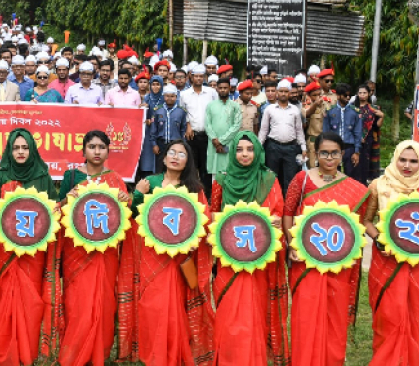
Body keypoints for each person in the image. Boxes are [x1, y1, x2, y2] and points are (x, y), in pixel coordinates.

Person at [118, 140, 215, 364]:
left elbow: (204, 221)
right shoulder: (150, 182)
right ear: (163, 158)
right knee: (152, 305)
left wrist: (195, 241)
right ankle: (153, 354)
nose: (175, 157)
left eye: (181, 154)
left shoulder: (194, 189)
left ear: (188, 161)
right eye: (171, 152)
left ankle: (175, 353)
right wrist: (139, 195)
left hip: (179, 258)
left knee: (175, 307)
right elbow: (133, 215)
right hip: (152, 256)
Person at [282, 132, 368, 366]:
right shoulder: (302, 180)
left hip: (338, 266)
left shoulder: (356, 190)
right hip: (305, 262)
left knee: (334, 316)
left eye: (334, 153)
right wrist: (291, 244)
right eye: (324, 153)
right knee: (306, 316)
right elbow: (288, 213)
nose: (329, 158)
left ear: (342, 155)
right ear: (316, 154)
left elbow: (357, 228)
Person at [0, 129, 60, 365]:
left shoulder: (43, 176)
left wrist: (55, 209)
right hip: (7, 250)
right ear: (9, 150)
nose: (21, 152)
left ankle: (28, 347)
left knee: (31, 298)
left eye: (25, 148)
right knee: (6, 295)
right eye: (16, 148)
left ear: (32, 149)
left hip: (34, 249)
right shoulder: (0, 176)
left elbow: (53, 208)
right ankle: (4, 347)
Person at [210, 132, 289, 366]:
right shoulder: (221, 180)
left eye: (249, 149)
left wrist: (273, 220)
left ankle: (253, 356)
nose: (244, 154)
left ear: (257, 152)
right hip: (228, 257)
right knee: (228, 306)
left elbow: (277, 214)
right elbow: (212, 215)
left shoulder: (268, 179)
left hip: (258, 258)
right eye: (239, 149)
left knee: (253, 307)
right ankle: (227, 357)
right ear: (233, 153)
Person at [57, 131, 131, 366]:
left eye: (101, 147)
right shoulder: (71, 177)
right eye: (92, 147)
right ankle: (73, 354)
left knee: (103, 301)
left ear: (108, 151)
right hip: (76, 253)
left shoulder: (115, 180)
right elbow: (57, 212)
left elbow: (124, 217)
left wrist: (125, 199)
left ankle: (97, 353)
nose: (97, 151)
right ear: (84, 150)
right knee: (77, 304)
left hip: (105, 253)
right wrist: (66, 200)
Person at [363, 140, 419, 365]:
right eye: (402, 159)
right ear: (395, 158)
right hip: (387, 263)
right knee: (389, 315)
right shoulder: (378, 185)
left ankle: (417, 358)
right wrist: (377, 238)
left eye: (413, 161)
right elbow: (365, 219)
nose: (407, 165)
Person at [259, 79, 307, 195]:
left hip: (291, 148)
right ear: (277, 93)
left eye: (286, 91)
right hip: (273, 147)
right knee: (272, 177)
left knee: (290, 179)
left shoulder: (295, 110)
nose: (283, 94)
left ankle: (288, 206)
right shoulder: (269, 109)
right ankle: (272, 203)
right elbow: (264, 130)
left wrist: (304, 147)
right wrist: (258, 146)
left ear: (289, 93)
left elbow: (299, 130)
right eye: (281, 91)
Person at [180, 64, 218, 197]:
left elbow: (216, 110)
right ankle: (191, 194)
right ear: (191, 77)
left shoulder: (211, 93)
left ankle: (207, 196)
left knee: (206, 168)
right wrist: (188, 125)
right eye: (196, 76)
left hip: (208, 135)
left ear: (204, 77)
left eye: (201, 76)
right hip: (192, 136)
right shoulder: (184, 94)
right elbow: (182, 113)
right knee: (191, 166)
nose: (198, 79)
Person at [322, 83, 362, 178]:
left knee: (350, 175)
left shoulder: (355, 112)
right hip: (333, 148)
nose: (348, 97)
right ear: (338, 96)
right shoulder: (330, 110)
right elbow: (326, 132)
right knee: (332, 174)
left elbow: (358, 132)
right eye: (345, 95)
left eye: (349, 95)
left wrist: (357, 152)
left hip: (349, 147)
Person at [205, 78, 242, 176]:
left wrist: (221, 141)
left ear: (229, 88)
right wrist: (214, 139)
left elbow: (237, 125)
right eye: (220, 88)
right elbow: (207, 124)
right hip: (213, 143)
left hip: (229, 143)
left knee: (229, 171)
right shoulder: (210, 105)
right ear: (216, 89)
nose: (222, 90)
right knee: (214, 172)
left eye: (225, 88)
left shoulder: (235, 106)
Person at [353, 84, 383, 184]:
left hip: (368, 140)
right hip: (354, 139)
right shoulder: (352, 108)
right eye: (360, 93)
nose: (362, 95)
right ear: (357, 94)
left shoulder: (374, 108)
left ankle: (365, 185)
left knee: (366, 163)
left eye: (364, 93)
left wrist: (382, 117)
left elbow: (377, 126)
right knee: (354, 164)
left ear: (369, 94)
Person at [302, 82, 324, 168]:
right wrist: (315, 104)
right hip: (312, 142)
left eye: (319, 94)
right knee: (312, 167)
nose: (318, 97)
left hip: (325, 141)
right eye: (315, 95)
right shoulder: (306, 105)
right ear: (309, 96)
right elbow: (306, 114)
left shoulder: (326, 103)